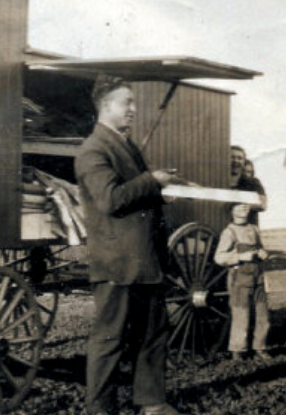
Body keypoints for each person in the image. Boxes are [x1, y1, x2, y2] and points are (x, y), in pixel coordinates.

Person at [75, 75, 185, 415]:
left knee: (153, 334)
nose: (134, 109)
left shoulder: (125, 145)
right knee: (109, 341)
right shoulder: (92, 150)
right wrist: (151, 180)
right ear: (106, 107)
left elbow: (132, 194)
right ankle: (101, 410)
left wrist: (158, 191)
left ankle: (152, 403)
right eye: (128, 103)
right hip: (117, 263)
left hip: (144, 259)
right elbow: (110, 200)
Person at [214, 203, 272, 361]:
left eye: (245, 206)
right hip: (239, 278)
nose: (243, 209)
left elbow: (262, 248)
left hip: (258, 276)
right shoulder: (229, 232)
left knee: (263, 314)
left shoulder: (254, 229)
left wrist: (263, 253)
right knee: (241, 315)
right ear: (231, 211)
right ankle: (237, 350)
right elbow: (219, 257)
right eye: (238, 206)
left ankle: (261, 347)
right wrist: (239, 257)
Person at [230, 145, 267, 225]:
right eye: (232, 157)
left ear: (244, 162)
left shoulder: (253, 183)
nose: (236, 161)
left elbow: (262, 205)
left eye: (239, 158)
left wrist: (240, 205)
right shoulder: (219, 182)